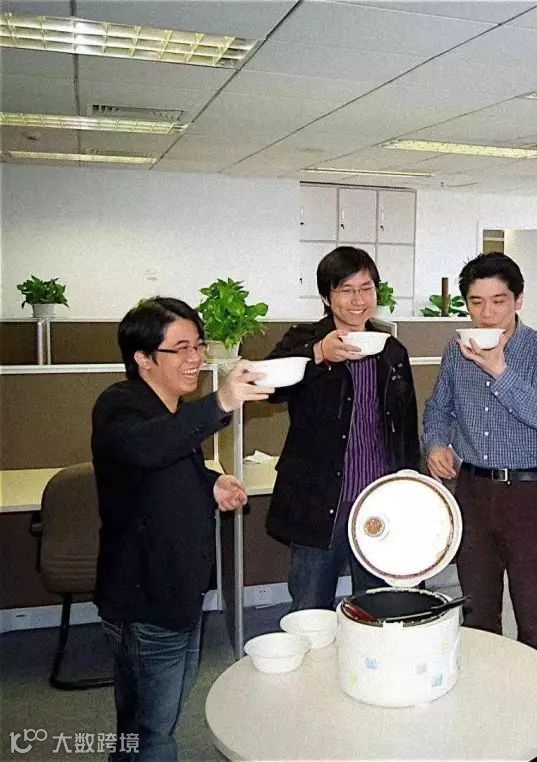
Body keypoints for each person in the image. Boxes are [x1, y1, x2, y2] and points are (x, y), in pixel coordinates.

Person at [93, 296, 269, 761]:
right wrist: (222, 400)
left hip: (176, 594)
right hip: (144, 599)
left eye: (199, 345)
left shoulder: (170, 409)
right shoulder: (119, 405)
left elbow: (163, 469)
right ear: (143, 357)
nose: (195, 358)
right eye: (181, 348)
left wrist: (211, 484)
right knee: (151, 734)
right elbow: (147, 448)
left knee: (151, 723)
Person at [423, 252, 537, 660]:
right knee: (477, 611)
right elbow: (438, 409)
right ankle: (486, 693)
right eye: (476, 302)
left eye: (498, 301)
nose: (487, 313)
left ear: (518, 300)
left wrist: (500, 370)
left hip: (528, 494)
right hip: (471, 490)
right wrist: (435, 444)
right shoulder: (456, 351)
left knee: (534, 614)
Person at [264, 246, 420, 610]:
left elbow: (406, 429)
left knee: (378, 606)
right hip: (319, 502)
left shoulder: (392, 351)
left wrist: (410, 488)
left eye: (366, 288)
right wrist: (318, 353)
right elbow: (268, 386)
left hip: (379, 500)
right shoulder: (303, 341)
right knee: (310, 609)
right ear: (326, 297)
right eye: (346, 290)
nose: (358, 300)